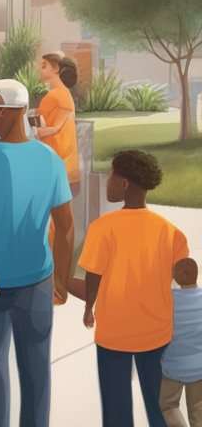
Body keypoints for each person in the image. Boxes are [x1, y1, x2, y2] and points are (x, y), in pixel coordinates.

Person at [0, 78, 73, 427]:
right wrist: (62, 281)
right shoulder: (50, 160)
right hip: (38, 279)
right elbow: (65, 226)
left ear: (6, 113)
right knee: (36, 369)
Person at [76, 150, 188, 427]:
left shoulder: (102, 228)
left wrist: (89, 307)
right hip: (157, 335)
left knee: (116, 409)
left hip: (114, 334)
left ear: (124, 184)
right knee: (160, 407)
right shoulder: (171, 232)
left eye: (111, 174)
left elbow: (93, 277)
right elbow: (180, 284)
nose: (108, 180)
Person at [162, 258, 202, 427]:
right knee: (198, 412)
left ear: (175, 276)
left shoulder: (167, 301)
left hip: (173, 367)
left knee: (167, 406)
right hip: (199, 367)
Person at [35, 52, 80, 191]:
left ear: (56, 69)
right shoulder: (63, 93)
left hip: (56, 162)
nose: (40, 70)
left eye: (44, 66)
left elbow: (54, 128)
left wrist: (32, 132)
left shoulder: (56, 95)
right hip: (62, 163)